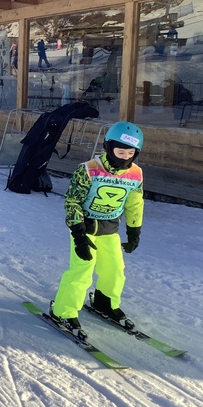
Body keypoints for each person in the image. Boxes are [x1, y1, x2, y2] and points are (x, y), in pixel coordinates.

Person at [49, 121, 144, 340]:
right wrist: (79, 236)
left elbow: (135, 204)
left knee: (115, 269)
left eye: (131, 153)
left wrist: (134, 232)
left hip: (110, 230)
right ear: (109, 147)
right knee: (82, 270)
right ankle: (63, 311)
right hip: (85, 229)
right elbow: (72, 201)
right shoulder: (89, 170)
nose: (125, 158)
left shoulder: (135, 174)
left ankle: (105, 303)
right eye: (120, 152)